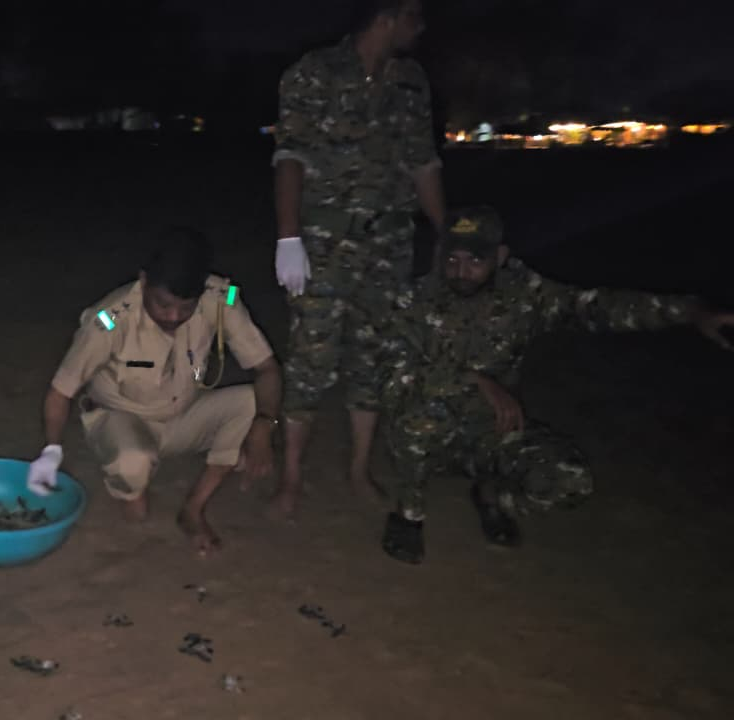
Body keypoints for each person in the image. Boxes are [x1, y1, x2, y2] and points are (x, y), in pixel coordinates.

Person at [378, 207, 734, 564]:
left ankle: (492, 497)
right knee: (417, 416)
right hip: (430, 432)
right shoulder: (416, 299)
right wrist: (474, 379)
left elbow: (596, 307)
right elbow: (394, 373)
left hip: (492, 431)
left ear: (500, 257)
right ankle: (409, 514)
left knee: (569, 480)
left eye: (475, 260)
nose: (461, 271)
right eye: (452, 259)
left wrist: (689, 312)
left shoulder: (524, 294)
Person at [268, 0, 446, 518]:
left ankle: (359, 469)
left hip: (388, 247)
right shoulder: (314, 72)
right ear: (387, 16)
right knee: (310, 359)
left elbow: (423, 163)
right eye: (414, 16)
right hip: (324, 243)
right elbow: (290, 156)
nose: (420, 27)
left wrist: (446, 233)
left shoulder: (412, 82)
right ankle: (291, 477)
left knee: (374, 359)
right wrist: (288, 237)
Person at [28, 228, 283, 556]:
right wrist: (51, 451)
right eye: (163, 304)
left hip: (182, 417)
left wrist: (264, 426)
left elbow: (267, 368)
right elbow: (61, 391)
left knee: (250, 402)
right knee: (134, 471)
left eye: (186, 307)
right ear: (144, 281)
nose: (174, 317)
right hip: (121, 419)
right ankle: (132, 492)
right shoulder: (110, 318)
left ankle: (193, 509)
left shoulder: (221, 298)